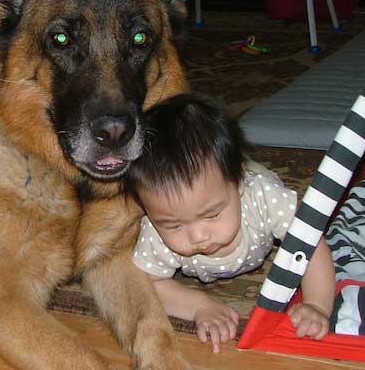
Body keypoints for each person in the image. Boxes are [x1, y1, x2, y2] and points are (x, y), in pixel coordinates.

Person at [127, 93, 335, 353]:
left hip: (252, 180)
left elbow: (311, 243)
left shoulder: (263, 199)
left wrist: (317, 304)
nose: (198, 235)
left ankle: (243, 166)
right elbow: (148, 284)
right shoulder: (155, 231)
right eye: (174, 225)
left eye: (212, 214)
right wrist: (200, 306)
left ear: (237, 185)